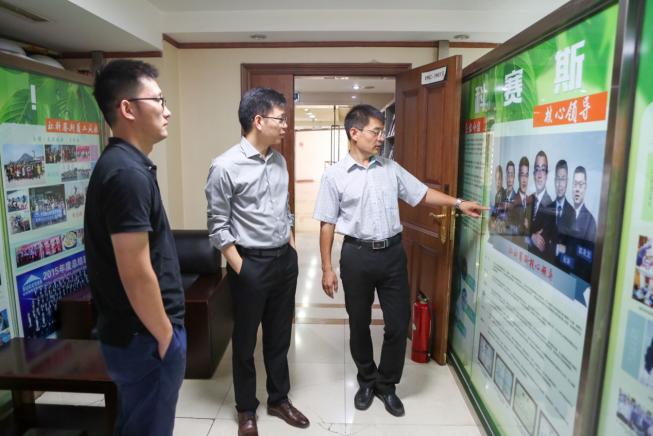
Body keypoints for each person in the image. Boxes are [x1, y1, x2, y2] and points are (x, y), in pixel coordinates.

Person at [313, 104, 486, 417]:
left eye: (382, 132)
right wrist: (327, 268)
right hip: (356, 256)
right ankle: (367, 381)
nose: (381, 138)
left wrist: (458, 203)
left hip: (392, 255)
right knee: (359, 323)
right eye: (375, 132)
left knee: (397, 323)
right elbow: (327, 223)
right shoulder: (334, 176)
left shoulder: (390, 168)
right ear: (354, 133)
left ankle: (386, 384)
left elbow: (422, 194)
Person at [85, 59, 185, 436]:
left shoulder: (124, 165)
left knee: (134, 424)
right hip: (145, 338)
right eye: (158, 100)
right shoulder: (126, 174)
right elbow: (136, 271)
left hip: (137, 336)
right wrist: (165, 337)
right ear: (127, 108)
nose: (166, 110)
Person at [205, 87, 309, 436]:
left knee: (279, 337)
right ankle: (246, 408)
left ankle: (279, 399)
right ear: (259, 120)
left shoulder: (279, 161)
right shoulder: (224, 166)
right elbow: (218, 227)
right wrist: (243, 269)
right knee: (245, 342)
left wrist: (292, 248)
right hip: (250, 265)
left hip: (284, 262)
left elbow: (285, 209)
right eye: (281, 118)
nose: (286, 125)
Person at [558, 166, 596, 283]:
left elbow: (587, 258)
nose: (577, 189)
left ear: (585, 188)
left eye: (581, 184)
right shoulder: (565, 213)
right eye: (575, 184)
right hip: (559, 274)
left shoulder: (591, 221)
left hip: (576, 279)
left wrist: (565, 249)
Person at [525, 151, 555, 264]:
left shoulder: (550, 205)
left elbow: (541, 244)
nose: (539, 175)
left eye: (543, 170)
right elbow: (518, 226)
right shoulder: (528, 199)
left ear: (547, 174)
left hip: (536, 263)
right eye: (537, 169)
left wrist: (527, 229)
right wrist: (532, 235)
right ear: (533, 174)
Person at [506, 156, 531, 248]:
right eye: (522, 175)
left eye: (526, 175)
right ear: (518, 177)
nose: (524, 180)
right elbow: (508, 226)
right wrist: (523, 224)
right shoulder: (512, 201)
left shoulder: (531, 201)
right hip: (515, 247)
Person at [489, 165, 506, 233]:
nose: (498, 182)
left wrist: (495, 224)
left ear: (502, 180)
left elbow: (503, 216)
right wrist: (491, 220)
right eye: (496, 179)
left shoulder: (504, 195)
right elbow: (494, 213)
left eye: (499, 179)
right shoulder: (497, 195)